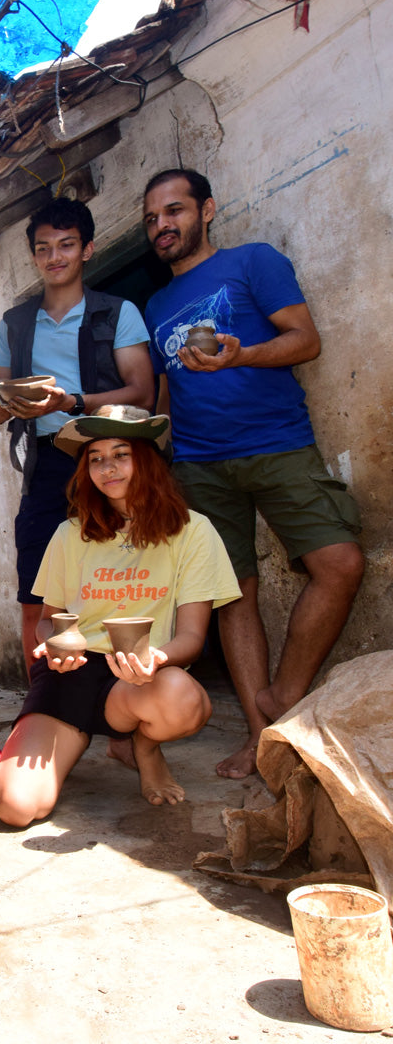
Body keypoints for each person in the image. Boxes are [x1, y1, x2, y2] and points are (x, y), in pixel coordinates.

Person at [142, 169, 364, 779]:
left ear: (206, 210)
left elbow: (305, 340)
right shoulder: (156, 305)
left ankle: (283, 698)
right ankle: (258, 734)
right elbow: (166, 389)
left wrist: (245, 354)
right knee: (232, 593)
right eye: (153, 217)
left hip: (278, 443)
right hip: (197, 464)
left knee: (340, 564)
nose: (163, 225)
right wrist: (149, 447)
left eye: (175, 210)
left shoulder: (253, 262)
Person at [0, 406, 240, 827]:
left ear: (146, 458)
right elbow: (49, 619)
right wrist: (53, 644)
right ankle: (78, 736)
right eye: (96, 458)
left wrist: (155, 660)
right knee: (16, 808)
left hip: (136, 679)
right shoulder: (71, 533)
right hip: (69, 674)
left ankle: (141, 747)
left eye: (121, 454)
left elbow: (193, 637)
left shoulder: (193, 531)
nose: (107, 468)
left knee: (183, 700)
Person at [0, 198, 154, 672]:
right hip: (44, 464)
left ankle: (125, 695)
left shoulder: (117, 313)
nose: (54, 257)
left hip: (107, 458)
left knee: (120, 577)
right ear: (33, 256)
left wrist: (72, 403)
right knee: (36, 586)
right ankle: (42, 698)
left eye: (66, 245)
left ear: (88, 249)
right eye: (43, 248)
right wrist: (12, 400)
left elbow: (142, 392)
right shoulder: (14, 324)